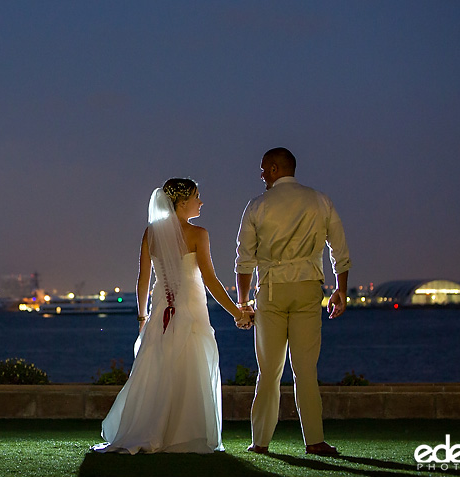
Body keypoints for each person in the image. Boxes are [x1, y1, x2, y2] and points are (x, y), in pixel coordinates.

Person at [91, 178, 253, 454]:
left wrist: (142, 317)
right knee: (191, 364)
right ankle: (186, 434)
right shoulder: (198, 234)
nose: (201, 202)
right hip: (190, 308)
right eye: (196, 197)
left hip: (158, 312)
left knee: (159, 366)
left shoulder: (151, 233)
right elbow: (211, 280)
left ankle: (155, 429)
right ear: (181, 203)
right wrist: (237, 312)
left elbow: (143, 280)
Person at [235, 147, 351, 457]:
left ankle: (260, 441)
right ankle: (314, 440)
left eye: (263, 169)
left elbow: (244, 260)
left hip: (271, 290)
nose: (261, 175)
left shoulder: (257, 206)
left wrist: (244, 302)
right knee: (305, 369)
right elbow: (338, 246)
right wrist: (341, 289)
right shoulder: (319, 200)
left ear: (274, 169)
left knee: (269, 370)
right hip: (308, 289)